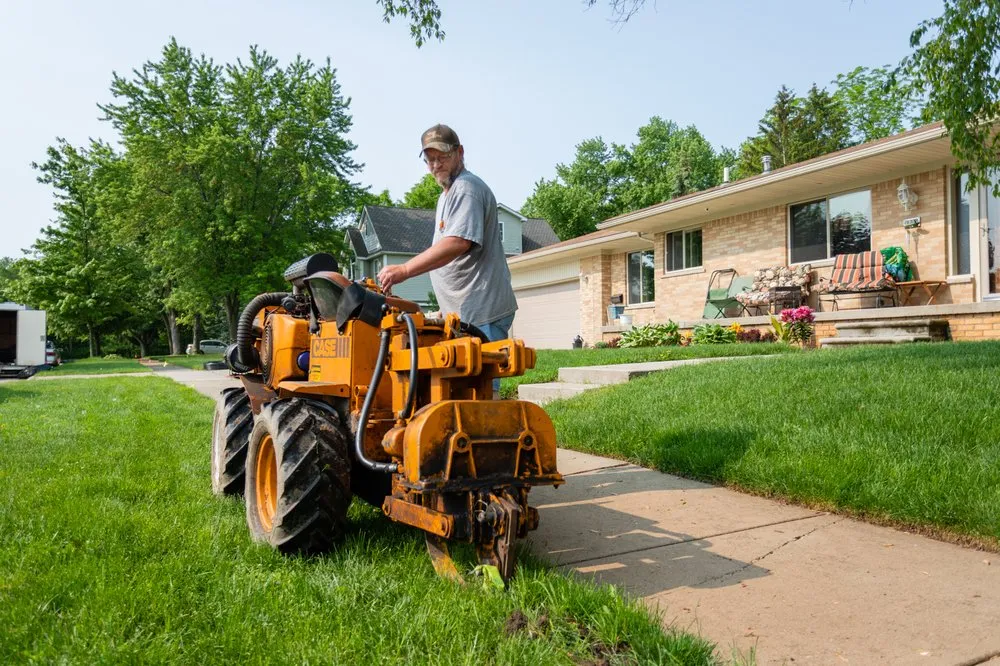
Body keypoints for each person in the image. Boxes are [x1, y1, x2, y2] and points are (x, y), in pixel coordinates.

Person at [377, 124, 517, 347]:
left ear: (459, 153)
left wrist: (404, 270)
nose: (436, 165)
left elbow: (457, 242)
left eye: (442, 157)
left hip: (481, 313)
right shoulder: (447, 194)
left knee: (479, 381)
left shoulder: (466, 188)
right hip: (464, 313)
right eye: (430, 160)